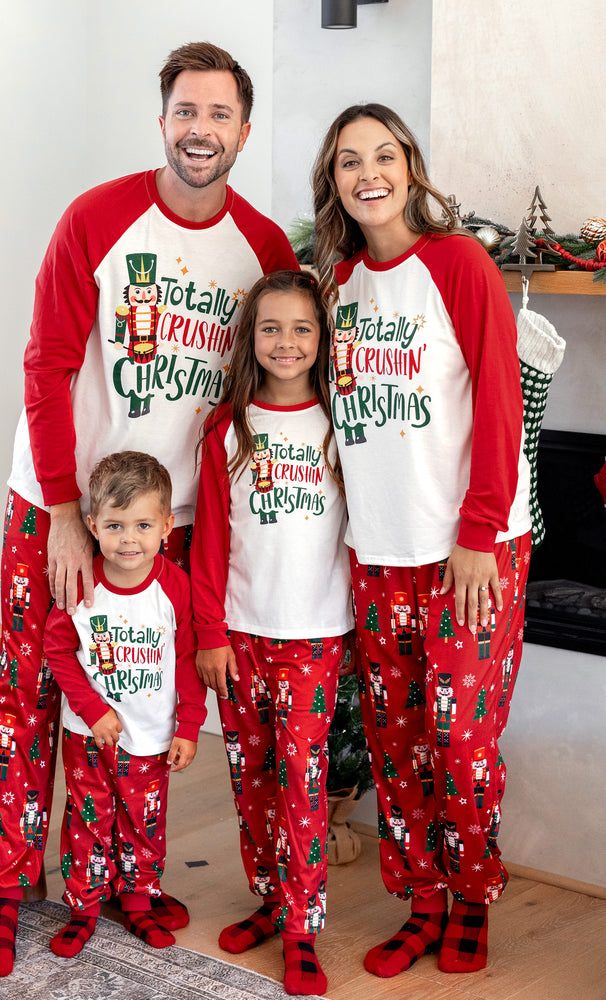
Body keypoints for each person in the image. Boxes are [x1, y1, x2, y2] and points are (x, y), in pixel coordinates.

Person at [0, 41, 298, 978]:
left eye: (220, 114)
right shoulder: (97, 218)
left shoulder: (263, 248)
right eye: (185, 112)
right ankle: (1, 889)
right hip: (62, 510)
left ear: (242, 129)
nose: (201, 131)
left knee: (140, 706)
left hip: (172, 526)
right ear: (163, 121)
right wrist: (64, 510)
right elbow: (47, 366)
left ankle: (120, 882)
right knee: (33, 695)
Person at [311, 104, 532, 977]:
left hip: (469, 552)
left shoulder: (458, 263)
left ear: (410, 166)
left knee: (461, 744)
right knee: (397, 738)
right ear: (333, 182)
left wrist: (479, 531)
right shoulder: (337, 285)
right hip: (379, 551)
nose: (368, 174)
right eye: (347, 162)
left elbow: (503, 400)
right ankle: (423, 900)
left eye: (383, 156)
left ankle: (472, 894)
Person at [191, 270, 354, 996]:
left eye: (301, 329)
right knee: (250, 781)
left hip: (313, 633)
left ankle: (301, 924)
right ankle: (269, 896)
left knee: (301, 782)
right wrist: (210, 633)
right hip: (241, 633)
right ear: (249, 339)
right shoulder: (228, 428)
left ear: (321, 339)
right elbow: (209, 545)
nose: (286, 343)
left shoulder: (341, 425)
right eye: (271, 329)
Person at [43, 452, 206, 957]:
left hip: (152, 735)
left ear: (166, 526)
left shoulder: (173, 588)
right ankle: (84, 906)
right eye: (114, 525)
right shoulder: (84, 584)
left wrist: (189, 726)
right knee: (89, 818)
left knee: (143, 819)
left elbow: (187, 659)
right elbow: (58, 649)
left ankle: (137, 901)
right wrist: (93, 710)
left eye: (141, 525)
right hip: (90, 735)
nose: (128, 539)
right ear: (92, 525)